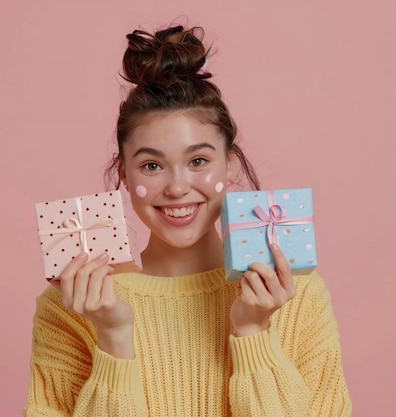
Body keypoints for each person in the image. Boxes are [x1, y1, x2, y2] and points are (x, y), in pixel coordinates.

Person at [24, 24, 351, 417]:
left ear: (228, 164)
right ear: (124, 176)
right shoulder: (72, 305)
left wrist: (253, 333)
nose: (178, 188)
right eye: (151, 165)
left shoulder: (294, 293)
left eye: (198, 161)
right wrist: (112, 337)